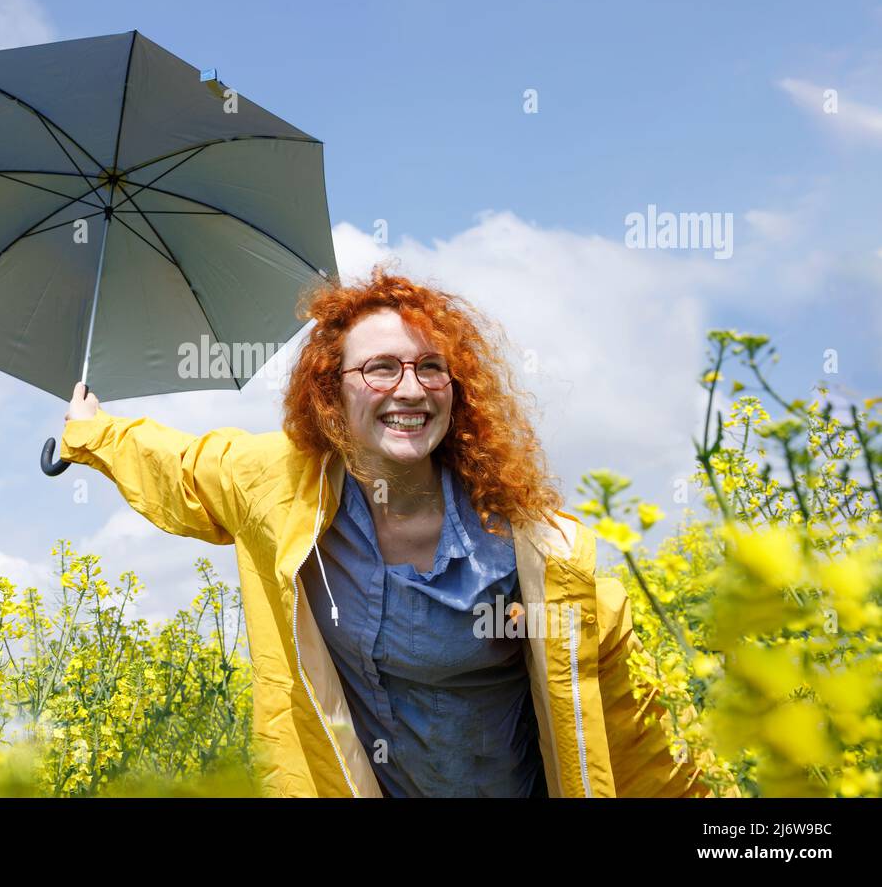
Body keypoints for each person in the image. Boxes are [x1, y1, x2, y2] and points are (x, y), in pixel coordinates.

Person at [59, 263, 732, 798]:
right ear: (332, 391)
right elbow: (181, 466)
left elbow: (626, 726)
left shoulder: (527, 550)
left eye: (430, 367)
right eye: (380, 368)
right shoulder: (279, 486)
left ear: (455, 388)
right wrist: (91, 432)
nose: (409, 389)